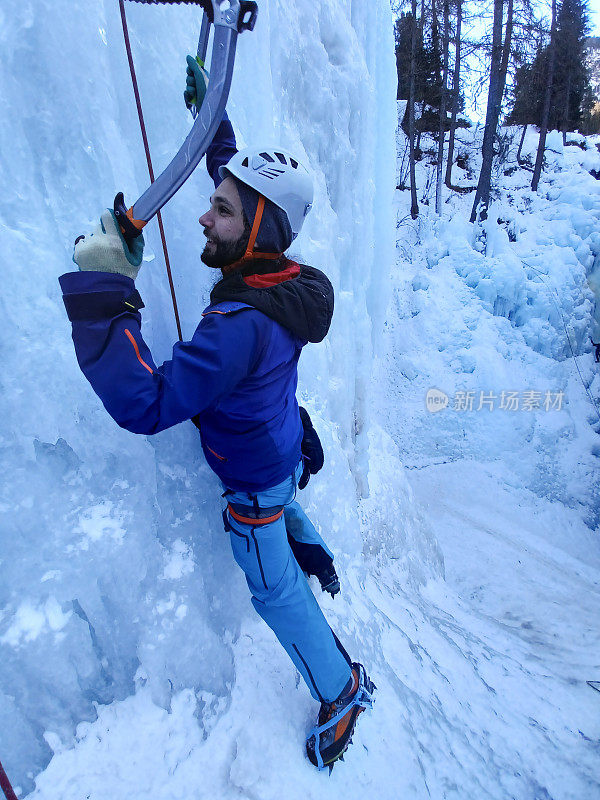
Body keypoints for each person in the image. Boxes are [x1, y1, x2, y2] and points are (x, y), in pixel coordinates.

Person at [59, 58, 373, 769]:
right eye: (217, 200)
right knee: (276, 489)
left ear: (257, 228)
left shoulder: (238, 324)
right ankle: (301, 529)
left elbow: (147, 403)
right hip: (281, 444)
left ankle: (341, 687)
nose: (207, 212)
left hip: (256, 478)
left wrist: (104, 290)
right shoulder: (282, 279)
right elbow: (240, 179)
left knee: (273, 593)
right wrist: (213, 127)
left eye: (222, 210)